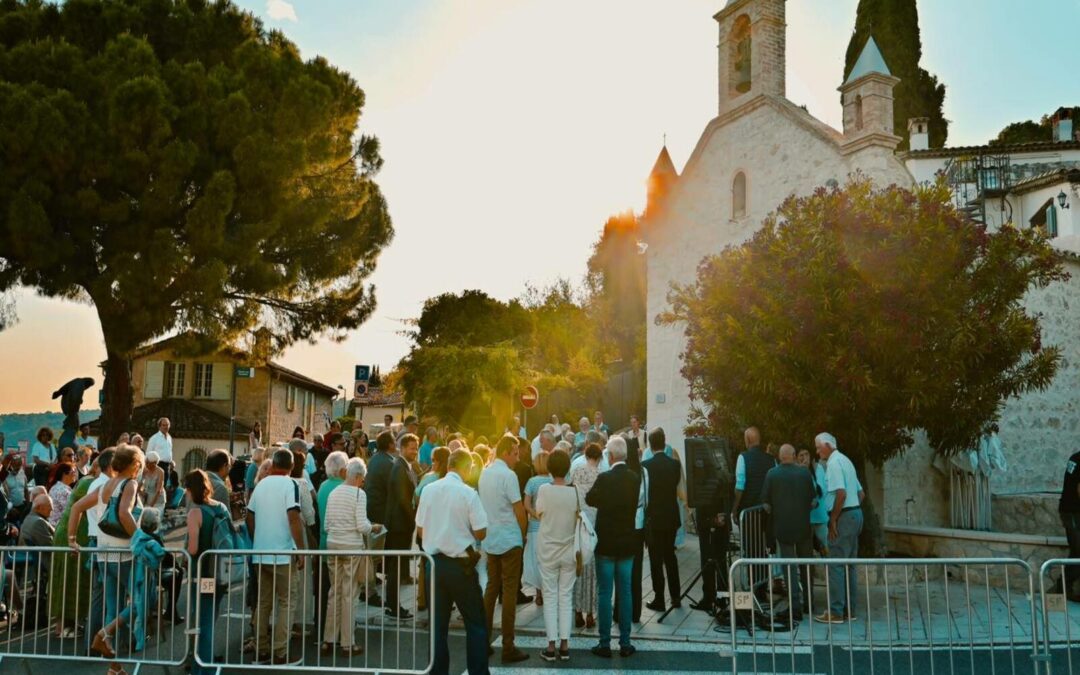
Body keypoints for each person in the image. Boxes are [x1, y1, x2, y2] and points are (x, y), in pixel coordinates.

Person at [66, 444, 144, 659]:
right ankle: (103, 635)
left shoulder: (103, 486)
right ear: (134, 464)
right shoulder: (130, 484)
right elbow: (125, 513)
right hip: (124, 552)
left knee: (113, 606)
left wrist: (72, 539)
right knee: (143, 600)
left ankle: (113, 659)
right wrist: (141, 540)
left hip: (103, 553)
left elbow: (76, 507)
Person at [416, 449, 490, 675]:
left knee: (437, 626)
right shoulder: (468, 493)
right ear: (467, 468)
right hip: (460, 565)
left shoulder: (428, 490)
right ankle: (478, 671)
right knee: (475, 623)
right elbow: (481, 532)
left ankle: (438, 671)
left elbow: (420, 530)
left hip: (434, 564)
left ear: (448, 465)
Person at [246, 449, 306, 665]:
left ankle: (261, 648)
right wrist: (300, 550)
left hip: (261, 551)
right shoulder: (291, 485)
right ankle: (280, 650)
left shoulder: (261, 484)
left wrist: (257, 538)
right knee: (287, 601)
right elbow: (293, 518)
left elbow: (249, 515)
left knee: (263, 602)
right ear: (291, 466)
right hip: (282, 552)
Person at [322, 457, 383, 655]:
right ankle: (347, 643)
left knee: (335, 592)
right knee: (350, 594)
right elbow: (362, 526)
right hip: (351, 546)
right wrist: (373, 527)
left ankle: (328, 640)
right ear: (357, 476)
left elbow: (326, 525)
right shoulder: (359, 494)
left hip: (333, 544)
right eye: (363, 478)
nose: (363, 482)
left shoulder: (333, 492)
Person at [585, 436, 639, 658]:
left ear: (610, 455)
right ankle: (625, 642)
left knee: (604, 592)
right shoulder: (635, 478)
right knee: (625, 592)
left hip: (606, 542)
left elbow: (589, 499)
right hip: (627, 541)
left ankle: (604, 642)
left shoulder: (604, 478)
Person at [478, 434, 529, 663]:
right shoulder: (508, 476)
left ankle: (483, 640)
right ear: (507, 451)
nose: (517, 459)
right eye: (516, 453)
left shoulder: (485, 472)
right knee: (509, 593)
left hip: (491, 538)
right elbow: (519, 509)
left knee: (491, 589)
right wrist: (524, 534)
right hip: (509, 538)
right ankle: (508, 645)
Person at [182, 470, 231, 674]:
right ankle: (208, 662)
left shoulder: (195, 513)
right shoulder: (221, 507)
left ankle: (201, 668)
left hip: (201, 573)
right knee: (211, 617)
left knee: (202, 622)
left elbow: (192, 549)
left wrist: (182, 556)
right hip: (221, 570)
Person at [761, 444, 815, 621]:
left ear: (779, 456)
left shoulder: (771, 474)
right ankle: (810, 602)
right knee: (806, 565)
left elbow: (766, 505)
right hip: (804, 527)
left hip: (783, 528)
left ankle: (795, 607)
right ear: (793, 455)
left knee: (789, 568)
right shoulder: (805, 473)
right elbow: (814, 501)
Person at [814, 432, 863, 624]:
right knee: (849, 564)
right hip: (855, 513)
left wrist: (834, 519)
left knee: (835, 564)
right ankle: (849, 610)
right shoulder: (846, 460)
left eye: (818, 447)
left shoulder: (833, 463)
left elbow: (840, 494)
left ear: (826, 445)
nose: (817, 452)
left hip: (844, 516)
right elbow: (861, 494)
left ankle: (835, 612)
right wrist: (852, 511)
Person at [534, 449, 577, 661]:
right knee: (566, 597)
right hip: (568, 549)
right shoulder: (574, 492)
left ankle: (550, 646)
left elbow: (538, 511)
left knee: (550, 596)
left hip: (548, 549)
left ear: (550, 469)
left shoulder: (544, 489)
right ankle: (565, 645)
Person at [50, 457, 97, 640]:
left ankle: (65, 626)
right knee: (68, 580)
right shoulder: (90, 484)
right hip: (72, 535)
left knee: (69, 580)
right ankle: (62, 628)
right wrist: (72, 538)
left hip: (72, 534)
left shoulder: (86, 481)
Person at [730, 427, 775, 589]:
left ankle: (754, 586)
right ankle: (763, 584)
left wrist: (735, 509)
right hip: (766, 512)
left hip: (749, 512)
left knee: (751, 549)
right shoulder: (771, 459)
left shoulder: (743, 458)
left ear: (747, 440)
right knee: (763, 549)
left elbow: (740, 486)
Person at [643, 428, 682, 612]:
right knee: (670, 556)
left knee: (655, 559)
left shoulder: (646, 466)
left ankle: (659, 598)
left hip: (654, 518)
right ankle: (676, 596)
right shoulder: (675, 465)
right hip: (671, 516)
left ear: (650, 445)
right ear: (664, 442)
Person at [384, 433, 419, 620]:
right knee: (395, 568)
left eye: (416, 448)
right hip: (398, 525)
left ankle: (392, 605)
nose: (415, 452)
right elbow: (403, 499)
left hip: (401, 524)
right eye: (412, 448)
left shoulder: (405, 466)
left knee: (396, 567)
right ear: (402, 448)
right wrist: (415, 519)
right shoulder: (399, 468)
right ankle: (393, 607)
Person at [568, 441, 602, 628]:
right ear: (598, 458)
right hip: (594, 525)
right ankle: (590, 614)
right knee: (593, 571)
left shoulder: (576, 470)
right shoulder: (600, 473)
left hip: (578, 522)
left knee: (578, 566)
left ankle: (577, 612)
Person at [521, 451, 552, 605]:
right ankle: (547, 591)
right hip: (550, 526)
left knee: (535, 560)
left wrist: (534, 514)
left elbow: (526, 504)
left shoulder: (532, 482)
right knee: (548, 560)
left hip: (534, 526)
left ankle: (539, 593)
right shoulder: (553, 481)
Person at [799, 448, 830, 553]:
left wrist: (806, 472)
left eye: (806, 454)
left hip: (819, 515)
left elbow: (820, 490)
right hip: (805, 518)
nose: (804, 458)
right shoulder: (796, 471)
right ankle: (810, 569)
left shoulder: (818, 468)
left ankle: (828, 567)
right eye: (801, 455)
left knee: (824, 547)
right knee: (806, 548)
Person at [1060, 445, 1080, 601]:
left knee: (1076, 550)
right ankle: (1062, 588)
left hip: (1070, 509)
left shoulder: (1075, 457)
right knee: (1078, 550)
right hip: (1072, 510)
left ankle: (1064, 588)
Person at [146, 417, 175, 496]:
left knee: (164, 486)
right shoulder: (154, 438)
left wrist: (171, 461)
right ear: (159, 426)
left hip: (167, 466)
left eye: (168, 425)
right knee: (156, 487)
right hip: (157, 465)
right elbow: (148, 453)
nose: (166, 427)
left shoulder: (169, 438)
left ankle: (161, 505)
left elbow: (169, 451)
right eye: (164, 425)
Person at [47, 462, 78, 526]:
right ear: (64, 474)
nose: (75, 474)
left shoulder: (57, 486)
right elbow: (72, 511)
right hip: (58, 527)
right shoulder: (62, 491)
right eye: (73, 471)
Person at [2, 454, 28, 518]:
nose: (17, 470)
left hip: (22, 507)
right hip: (9, 509)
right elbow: (2, 496)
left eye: (18, 467)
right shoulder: (3, 476)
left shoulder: (22, 473)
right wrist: (10, 509)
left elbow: (26, 490)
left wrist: (28, 505)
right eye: (15, 467)